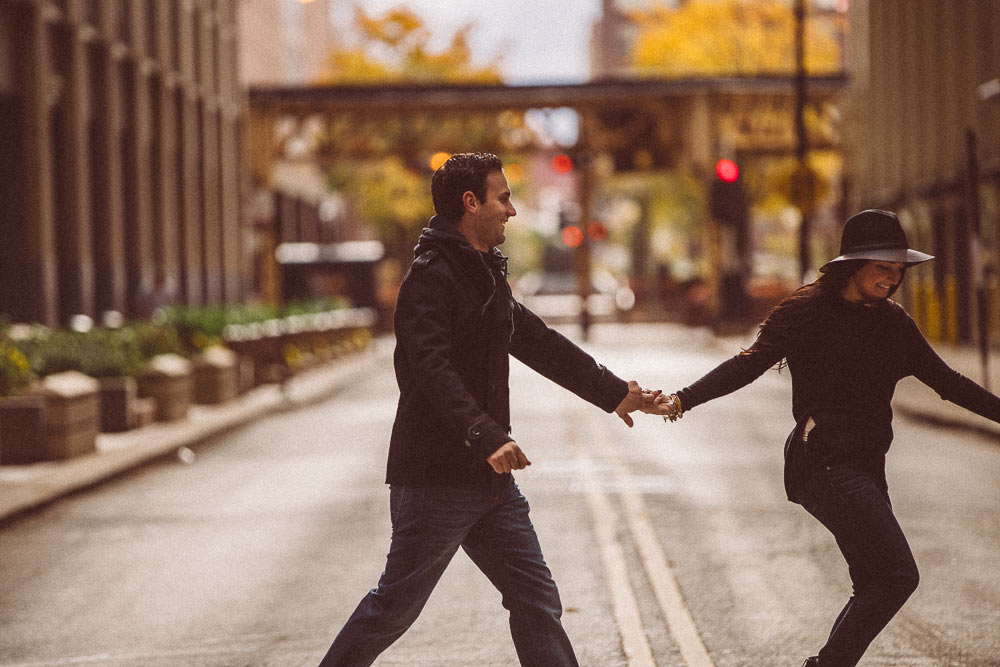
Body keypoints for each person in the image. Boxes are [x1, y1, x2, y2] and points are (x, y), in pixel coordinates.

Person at [318, 152, 662, 667]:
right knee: (394, 608)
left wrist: (614, 393)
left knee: (536, 599)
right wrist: (487, 435)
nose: (513, 211)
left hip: (489, 481)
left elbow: (539, 343)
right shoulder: (430, 279)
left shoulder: (485, 276)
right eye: (503, 199)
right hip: (436, 479)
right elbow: (430, 371)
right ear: (470, 203)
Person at [657, 209, 1000, 667]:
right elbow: (746, 364)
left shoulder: (893, 323)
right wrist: (682, 400)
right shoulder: (806, 313)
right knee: (897, 575)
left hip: (865, 464)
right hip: (822, 461)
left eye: (898, 272)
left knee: (876, 582)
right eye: (883, 269)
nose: (892, 280)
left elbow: (948, 382)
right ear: (853, 264)